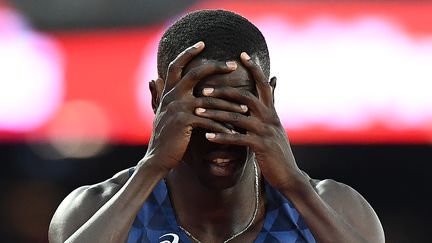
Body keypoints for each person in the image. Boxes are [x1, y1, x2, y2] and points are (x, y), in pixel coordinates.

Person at [49, 9, 385, 243]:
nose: (221, 137)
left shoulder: (336, 208)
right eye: (201, 111)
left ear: (270, 99)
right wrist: (152, 167)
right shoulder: (92, 209)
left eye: (238, 109)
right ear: (157, 99)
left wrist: (296, 186)